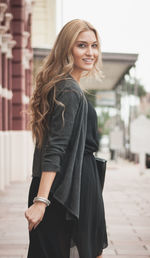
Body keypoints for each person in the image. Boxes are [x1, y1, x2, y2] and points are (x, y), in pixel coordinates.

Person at [25, 19, 108, 258]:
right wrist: (41, 201)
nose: (90, 52)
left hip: (74, 183)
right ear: (67, 49)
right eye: (82, 45)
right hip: (66, 189)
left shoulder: (64, 86)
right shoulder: (69, 90)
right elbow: (55, 148)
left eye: (94, 46)